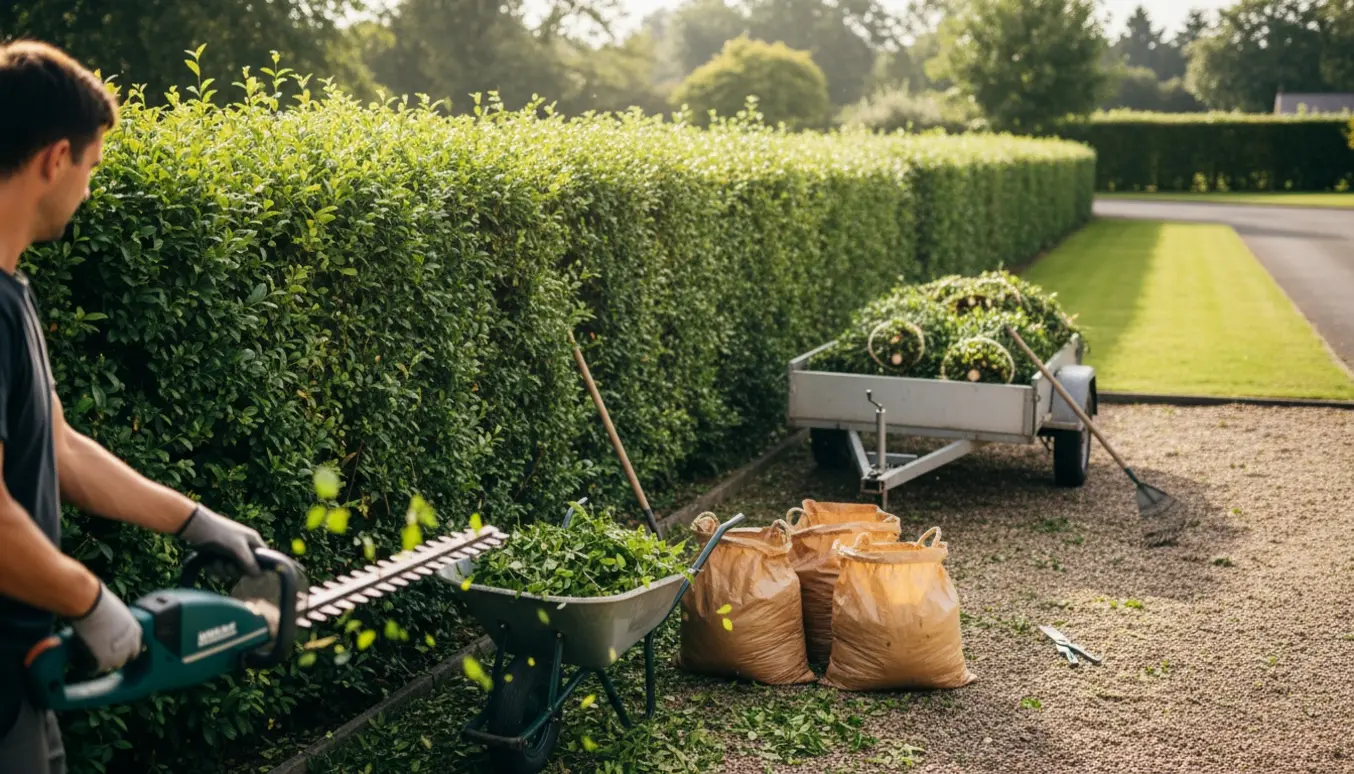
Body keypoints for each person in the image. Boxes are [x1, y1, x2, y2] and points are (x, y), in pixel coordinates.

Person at [0, 40, 273, 774]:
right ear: (56, 158)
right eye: (90, 167)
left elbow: (59, 447)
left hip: (19, 674)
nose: (88, 191)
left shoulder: (11, 291)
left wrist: (195, 520)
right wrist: (90, 600)